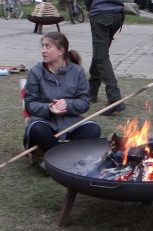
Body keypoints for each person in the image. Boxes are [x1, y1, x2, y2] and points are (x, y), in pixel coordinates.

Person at [23, 32, 101, 167]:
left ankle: (56, 161)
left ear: (60, 51)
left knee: (93, 129)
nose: (43, 50)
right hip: (44, 122)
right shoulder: (36, 72)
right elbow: (30, 104)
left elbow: (84, 102)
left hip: (70, 122)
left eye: (48, 47)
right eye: (42, 46)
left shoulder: (77, 71)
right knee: (37, 129)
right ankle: (67, 161)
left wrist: (68, 104)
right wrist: (49, 108)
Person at [83, 0, 131, 115]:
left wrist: (90, 7)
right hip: (117, 15)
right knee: (100, 52)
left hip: (100, 14)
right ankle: (91, 92)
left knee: (101, 56)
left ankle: (114, 99)